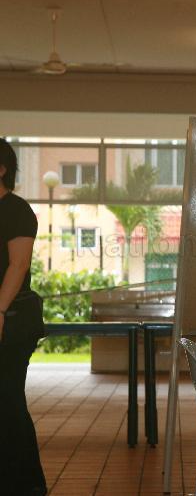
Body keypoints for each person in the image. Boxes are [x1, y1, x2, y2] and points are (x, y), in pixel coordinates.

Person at [0, 138, 47, 495]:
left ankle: (25, 486)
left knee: (8, 399)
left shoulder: (16, 210)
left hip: (13, 318)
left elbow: (19, 265)